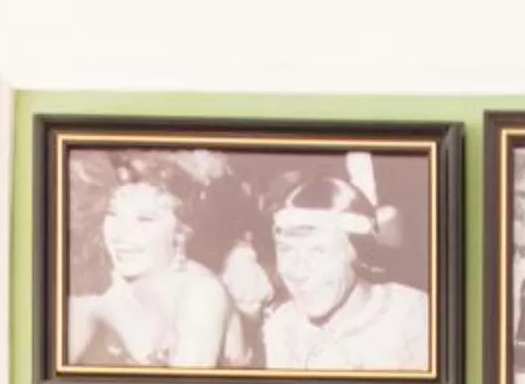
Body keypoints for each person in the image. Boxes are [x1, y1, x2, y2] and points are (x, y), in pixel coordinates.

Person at [220, 172, 432, 372]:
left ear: (359, 252)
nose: (298, 270)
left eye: (319, 251)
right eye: (286, 250)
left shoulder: (416, 318)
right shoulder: (282, 327)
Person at [66, 157, 230, 369]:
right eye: (113, 213)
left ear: (181, 232)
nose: (121, 234)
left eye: (144, 219)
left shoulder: (204, 292)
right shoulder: (104, 284)